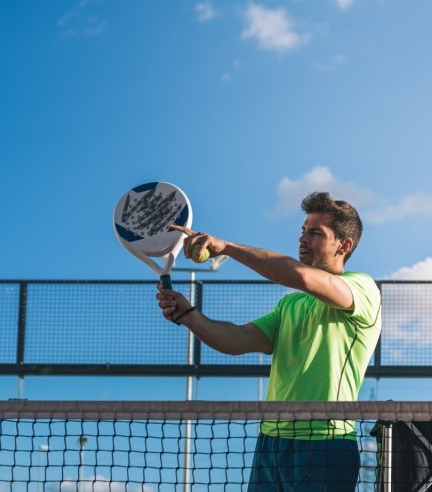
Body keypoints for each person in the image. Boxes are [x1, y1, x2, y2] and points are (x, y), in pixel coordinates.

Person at [156, 191, 382, 491]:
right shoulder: (289, 306)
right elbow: (236, 340)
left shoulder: (362, 289)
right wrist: (188, 315)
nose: (303, 238)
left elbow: (300, 276)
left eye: (315, 232)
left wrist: (226, 247)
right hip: (272, 440)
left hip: (326, 440)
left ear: (344, 244)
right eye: (302, 231)